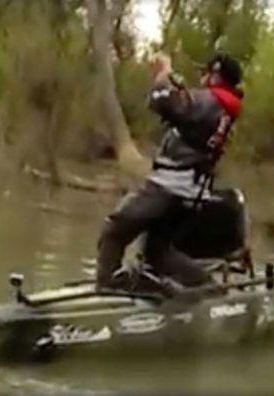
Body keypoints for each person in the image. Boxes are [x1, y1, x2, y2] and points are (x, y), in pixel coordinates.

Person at [95, 52, 244, 290]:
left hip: (168, 187)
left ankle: (105, 290)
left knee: (114, 231)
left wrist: (163, 72)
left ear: (217, 77)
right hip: (188, 191)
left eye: (206, 73)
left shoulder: (212, 102)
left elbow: (160, 101)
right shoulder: (222, 108)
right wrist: (175, 84)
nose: (202, 78)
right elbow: (186, 112)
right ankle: (207, 288)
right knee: (158, 252)